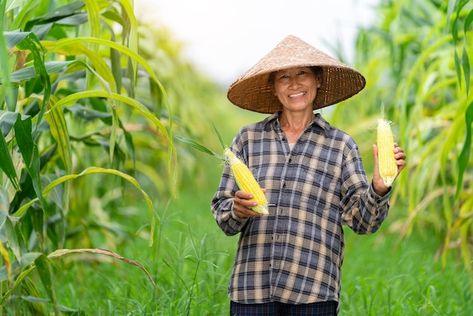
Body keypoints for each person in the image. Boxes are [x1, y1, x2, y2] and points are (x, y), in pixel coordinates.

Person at [211, 35, 406, 316]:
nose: (294, 84)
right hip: (252, 291)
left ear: (318, 80)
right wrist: (238, 209)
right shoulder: (247, 140)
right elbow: (224, 217)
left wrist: (378, 186)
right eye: (284, 77)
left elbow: (364, 224)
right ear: (274, 88)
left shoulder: (341, 146)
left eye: (302, 73)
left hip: (314, 292)